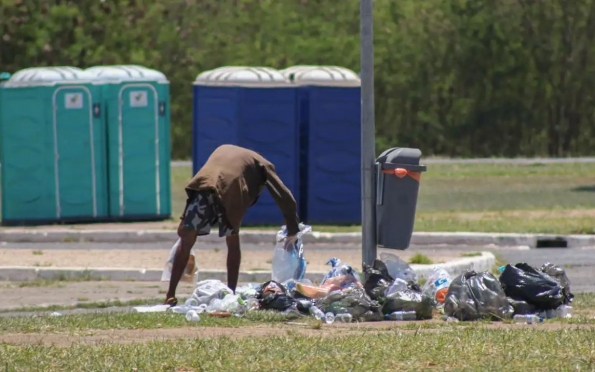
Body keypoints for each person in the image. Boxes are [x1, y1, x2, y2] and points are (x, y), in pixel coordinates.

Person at [164, 144, 300, 306]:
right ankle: (231, 293)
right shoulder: (262, 162)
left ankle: (170, 295)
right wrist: (293, 228)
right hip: (231, 190)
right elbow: (284, 195)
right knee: (233, 242)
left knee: (186, 240)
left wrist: (184, 221)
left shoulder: (224, 148)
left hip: (203, 185)